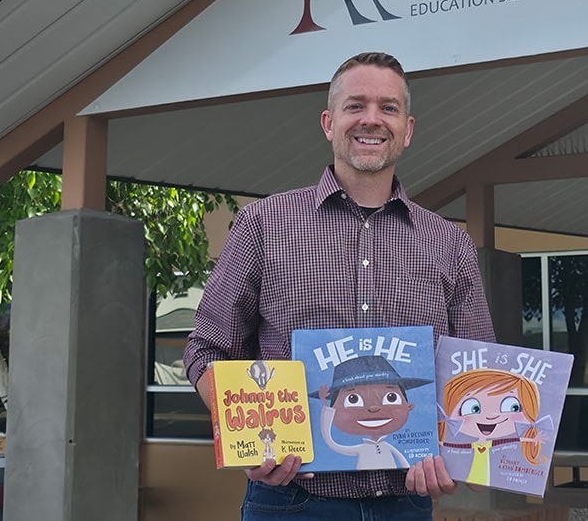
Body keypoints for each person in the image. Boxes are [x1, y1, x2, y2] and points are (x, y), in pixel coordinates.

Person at [183, 51, 496, 520]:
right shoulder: (263, 225)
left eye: (388, 108)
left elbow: (479, 375)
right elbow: (206, 351)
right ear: (329, 123)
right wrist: (248, 440)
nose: (372, 119)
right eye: (356, 106)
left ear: (407, 130)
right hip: (290, 503)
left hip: (406, 503)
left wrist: (462, 457)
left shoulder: (450, 244)